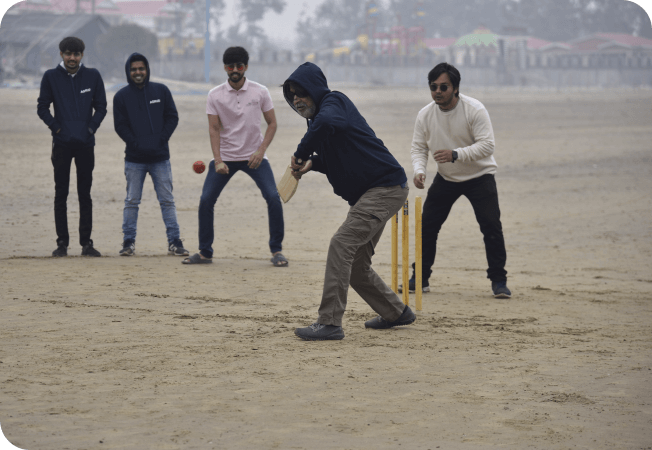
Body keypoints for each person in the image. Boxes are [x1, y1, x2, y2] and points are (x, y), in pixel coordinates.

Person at [283, 62, 415, 341]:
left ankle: (329, 323)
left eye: (301, 92)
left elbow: (328, 123)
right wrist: (313, 164)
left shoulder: (334, 102)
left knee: (341, 244)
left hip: (384, 188)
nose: (296, 99)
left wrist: (301, 151)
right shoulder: (319, 121)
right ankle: (396, 312)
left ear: (315, 89)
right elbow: (342, 154)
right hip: (374, 192)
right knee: (355, 265)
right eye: (292, 95)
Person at [406, 62, 511, 298]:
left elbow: (488, 145)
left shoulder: (474, 109)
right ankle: (420, 279)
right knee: (427, 227)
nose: (438, 91)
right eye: (433, 86)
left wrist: (456, 154)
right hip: (446, 178)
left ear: (455, 88)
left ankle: (499, 282)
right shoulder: (425, 115)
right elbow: (418, 147)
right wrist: (419, 170)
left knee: (491, 228)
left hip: (480, 176)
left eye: (444, 87)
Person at [183, 46, 286, 266]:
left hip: (254, 157)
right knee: (206, 200)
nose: (235, 70)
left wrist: (261, 151)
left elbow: (272, 123)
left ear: (246, 67)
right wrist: (218, 160)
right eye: (231, 66)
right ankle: (205, 252)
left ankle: (277, 251)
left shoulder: (260, 92)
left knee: (273, 198)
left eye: (239, 66)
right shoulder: (215, 95)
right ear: (225, 68)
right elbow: (213, 129)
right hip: (226, 158)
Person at [113, 53, 189, 257]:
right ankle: (128, 242)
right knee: (131, 201)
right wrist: (135, 142)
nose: (138, 72)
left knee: (167, 201)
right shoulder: (121, 96)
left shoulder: (161, 91)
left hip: (160, 158)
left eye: (141, 68)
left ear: (147, 69)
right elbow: (120, 126)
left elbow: (172, 117)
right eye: (133, 69)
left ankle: (175, 242)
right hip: (134, 159)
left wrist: (161, 139)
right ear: (128, 72)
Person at [37, 36, 107, 257]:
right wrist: (57, 128)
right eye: (68, 53)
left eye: (76, 54)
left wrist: (90, 129)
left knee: (84, 194)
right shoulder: (50, 77)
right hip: (61, 144)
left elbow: (102, 107)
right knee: (61, 194)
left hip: (86, 144)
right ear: (61, 54)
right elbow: (42, 108)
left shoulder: (93, 76)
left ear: (82, 55)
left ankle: (86, 243)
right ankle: (62, 244)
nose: (72, 58)